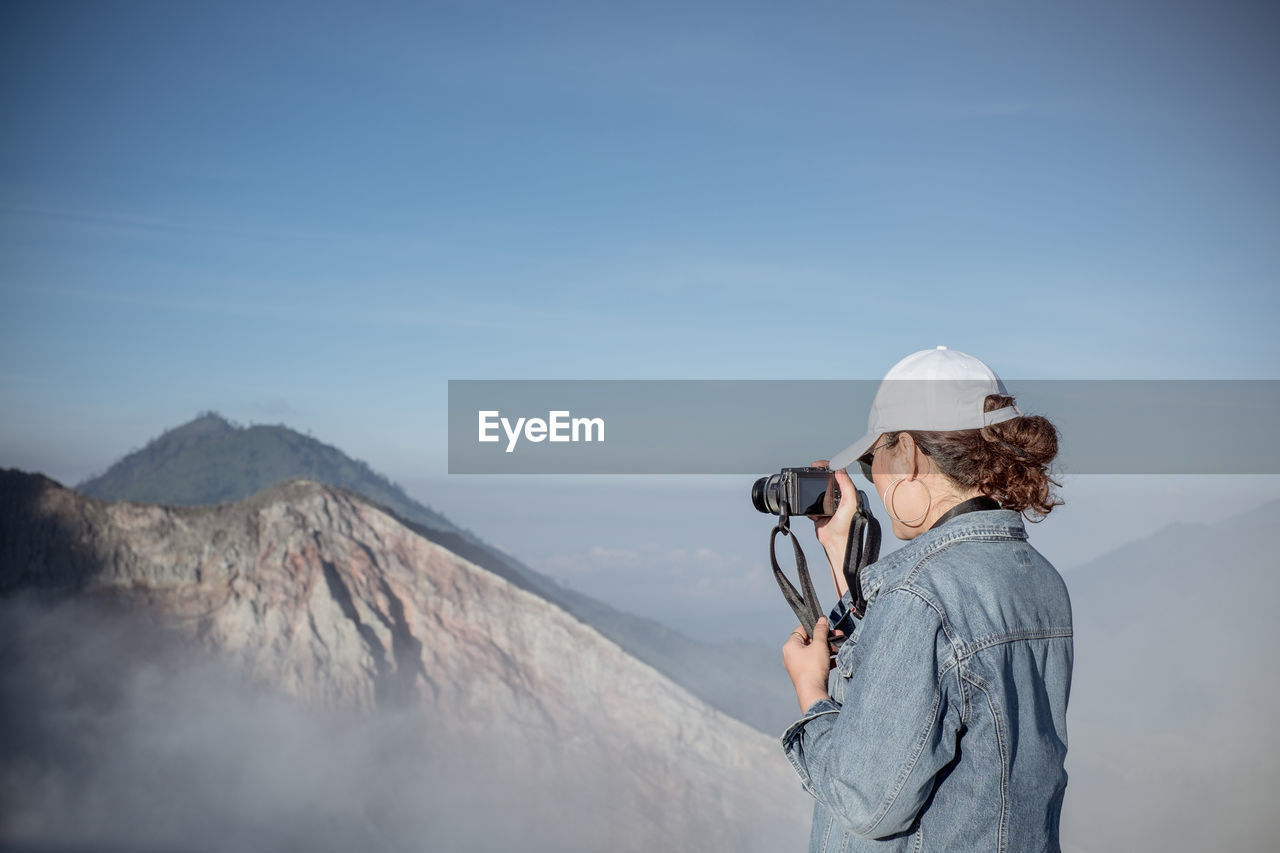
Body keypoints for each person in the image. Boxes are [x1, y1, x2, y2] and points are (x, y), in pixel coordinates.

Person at [780, 346, 1072, 852]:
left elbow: (864, 803)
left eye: (874, 461)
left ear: (909, 453)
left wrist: (813, 695)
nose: (875, 477)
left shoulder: (919, 596)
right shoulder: (1039, 578)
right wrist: (841, 557)